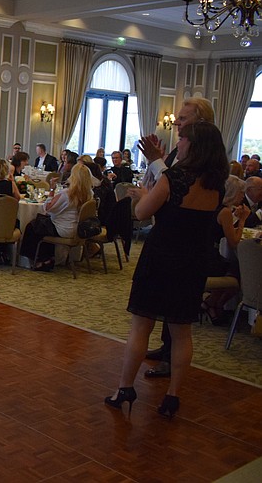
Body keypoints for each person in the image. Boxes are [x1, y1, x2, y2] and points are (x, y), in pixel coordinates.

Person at [105, 122, 228, 419]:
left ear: (194, 145)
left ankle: (125, 388)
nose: (180, 142)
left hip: (161, 257)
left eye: (183, 138)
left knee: (141, 325)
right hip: (193, 262)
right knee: (182, 331)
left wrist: (145, 191)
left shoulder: (174, 178)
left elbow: (141, 213)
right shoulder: (217, 184)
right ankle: (173, 396)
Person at [136, 96, 215, 378]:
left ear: (200, 121)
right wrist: (155, 162)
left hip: (184, 245)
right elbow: (159, 182)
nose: (177, 123)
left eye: (183, 118)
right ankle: (165, 347)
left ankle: (171, 358)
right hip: (166, 237)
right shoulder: (179, 152)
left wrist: (158, 163)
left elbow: (178, 188)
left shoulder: (206, 160)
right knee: (164, 308)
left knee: (175, 311)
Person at [20, 163, 93, 272]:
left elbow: (47, 208)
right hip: (78, 229)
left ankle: (39, 260)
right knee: (43, 224)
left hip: (63, 229)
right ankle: (48, 257)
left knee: (32, 226)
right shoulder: (89, 194)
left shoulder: (68, 194)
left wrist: (52, 190)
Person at [200, 175, 250, 324]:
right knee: (241, 272)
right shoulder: (225, 212)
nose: (242, 197)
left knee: (235, 267)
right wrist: (242, 221)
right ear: (234, 193)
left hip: (202, 253)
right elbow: (234, 242)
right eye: (241, 193)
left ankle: (213, 304)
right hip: (209, 259)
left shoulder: (212, 205)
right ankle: (213, 303)